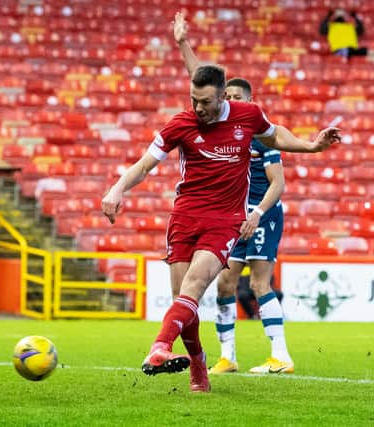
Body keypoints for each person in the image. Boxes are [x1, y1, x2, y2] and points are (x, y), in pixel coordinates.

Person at [101, 18, 341, 394]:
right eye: (194, 101)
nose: (199, 108)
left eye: (206, 102)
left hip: (225, 219)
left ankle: (158, 347)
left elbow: (275, 134)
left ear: (223, 99)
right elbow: (145, 164)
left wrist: (311, 145)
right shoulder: (181, 123)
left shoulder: (248, 116)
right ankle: (198, 365)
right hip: (184, 216)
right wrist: (117, 188)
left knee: (194, 288)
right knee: (187, 304)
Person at [172, 11, 294, 375]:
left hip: (261, 213)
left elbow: (279, 182)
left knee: (259, 281)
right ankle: (228, 356)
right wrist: (182, 43)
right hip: (233, 216)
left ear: (249, 101)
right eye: (227, 96)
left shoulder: (258, 130)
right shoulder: (223, 123)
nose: (228, 100)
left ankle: (281, 355)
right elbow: (201, 82)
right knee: (225, 282)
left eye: (235, 96)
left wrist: (256, 213)